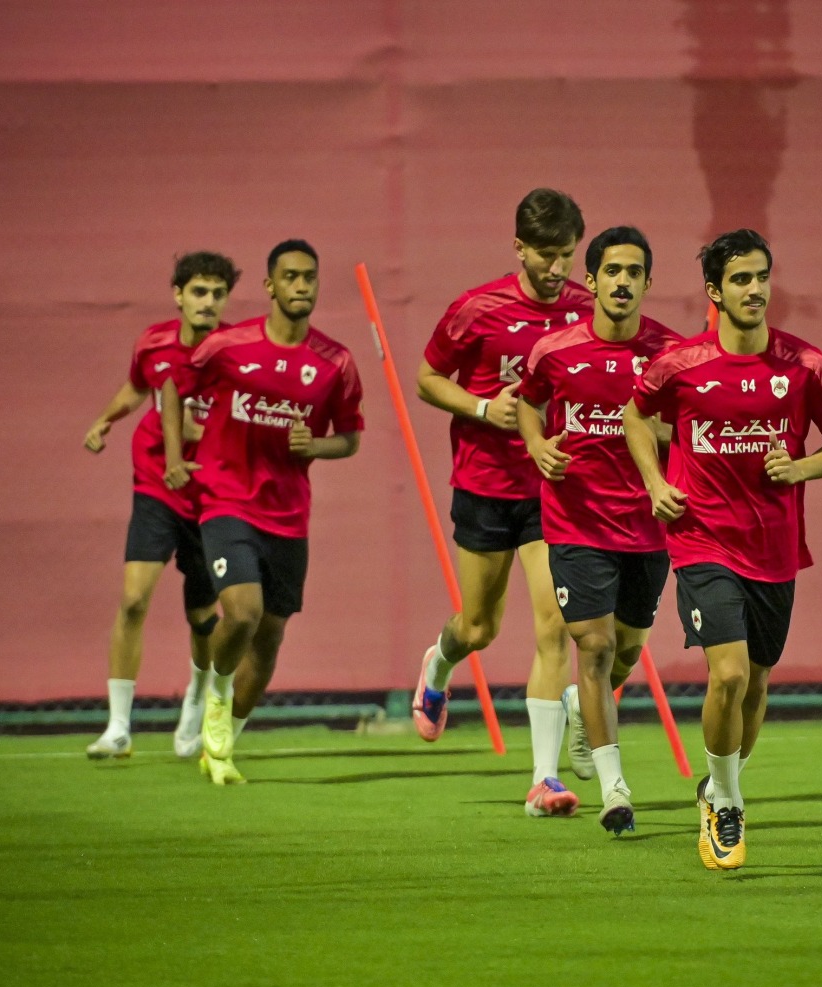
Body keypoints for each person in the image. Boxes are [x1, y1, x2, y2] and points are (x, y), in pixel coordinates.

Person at [623, 229, 822, 870]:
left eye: (761, 277)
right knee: (726, 674)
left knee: (756, 685)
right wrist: (654, 482)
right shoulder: (681, 365)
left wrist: (799, 469)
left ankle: (720, 782)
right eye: (740, 280)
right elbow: (633, 417)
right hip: (701, 540)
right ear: (714, 292)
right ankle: (725, 803)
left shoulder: (806, 366)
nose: (755, 290)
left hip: (775, 548)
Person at [413, 188, 593, 817]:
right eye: (546, 254)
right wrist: (484, 408)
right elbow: (428, 378)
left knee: (556, 627)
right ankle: (439, 664)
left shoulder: (586, 310)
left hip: (554, 486)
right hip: (486, 484)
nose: (557, 268)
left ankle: (543, 779)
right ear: (519, 247)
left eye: (567, 255)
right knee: (480, 628)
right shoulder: (477, 309)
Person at [161, 239, 364, 785]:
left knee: (270, 636)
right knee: (243, 612)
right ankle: (217, 696)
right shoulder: (229, 345)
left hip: (288, 516)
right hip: (226, 502)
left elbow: (349, 438)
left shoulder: (335, 362)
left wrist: (314, 446)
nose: (302, 286)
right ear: (271, 286)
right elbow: (174, 388)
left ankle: (222, 745)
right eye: (291, 277)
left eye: (310, 278)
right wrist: (178, 457)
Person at [517, 226, 682, 835]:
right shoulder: (554, 350)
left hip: (647, 525)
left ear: (646, 282)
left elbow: (689, 427)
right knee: (594, 644)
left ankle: (583, 710)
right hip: (575, 521)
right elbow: (528, 405)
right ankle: (615, 789)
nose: (622, 281)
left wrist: (653, 439)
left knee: (628, 650)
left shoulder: (671, 353)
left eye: (634, 271)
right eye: (611, 270)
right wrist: (537, 447)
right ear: (591, 281)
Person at [83, 251, 240, 760]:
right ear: (178, 295)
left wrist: (209, 434)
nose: (208, 301)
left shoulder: (236, 352)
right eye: (199, 291)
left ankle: (195, 696)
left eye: (217, 293)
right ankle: (119, 726)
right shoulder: (153, 342)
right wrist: (106, 419)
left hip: (211, 494)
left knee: (202, 615)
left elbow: (247, 419)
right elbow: (137, 386)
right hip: (155, 486)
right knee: (133, 599)